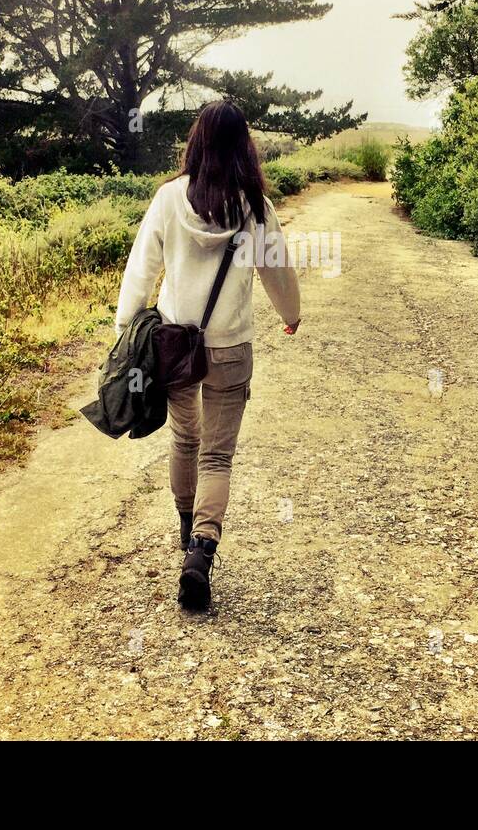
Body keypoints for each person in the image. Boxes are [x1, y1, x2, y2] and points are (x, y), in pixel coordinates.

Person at [114, 100, 301, 610]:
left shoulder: (169, 199)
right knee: (217, 453)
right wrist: (290, 313)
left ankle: (184, 525)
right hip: (231, 345)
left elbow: (140, 270)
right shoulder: (255, 207)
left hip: (176, 343)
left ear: (195, 141)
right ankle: (201, 549)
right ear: (245, 146)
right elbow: (277, 270)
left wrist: (126, 327)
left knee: (185, 437)